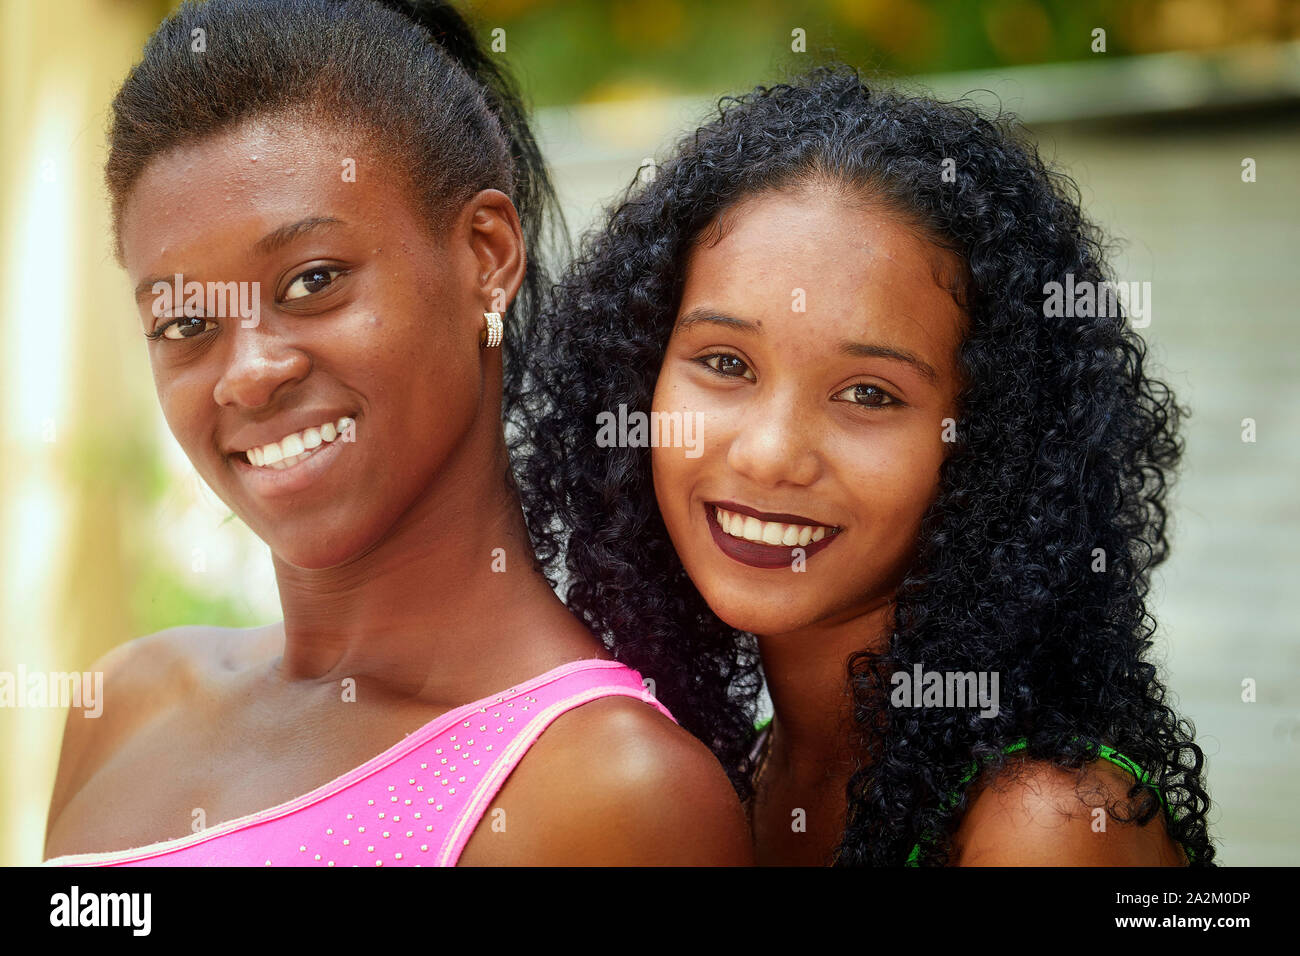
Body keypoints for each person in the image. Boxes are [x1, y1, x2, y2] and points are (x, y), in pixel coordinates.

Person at [42, 0, 751, 867]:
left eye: (312, 281)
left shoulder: (605, 790)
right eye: (185, 323)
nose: (248, 371)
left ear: (485, 256)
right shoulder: (123, 707)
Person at [512, 64, 1215, 865]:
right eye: (726, 363)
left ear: (993, 445)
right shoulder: (728, 774)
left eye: (870, 394)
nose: (770, 453)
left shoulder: (1042, 825)